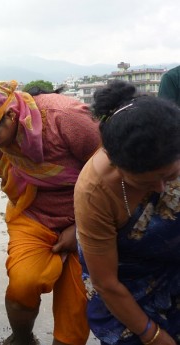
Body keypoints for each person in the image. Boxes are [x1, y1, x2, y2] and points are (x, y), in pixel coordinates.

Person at [0, 80, 100, 345]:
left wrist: (81, 230)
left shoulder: (65, 118)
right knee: (22, 285)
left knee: (76, 306)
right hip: (33, 213)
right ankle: (22, 338)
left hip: (91, 214)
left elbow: (115, 176)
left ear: (11, 115)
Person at [75, 80, 180, 344]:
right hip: (124, 285)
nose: (160, 188)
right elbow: (106, 283)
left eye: (170, 176)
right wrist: (153, 336)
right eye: (144, 182)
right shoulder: (95, 191)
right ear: (115, 163)